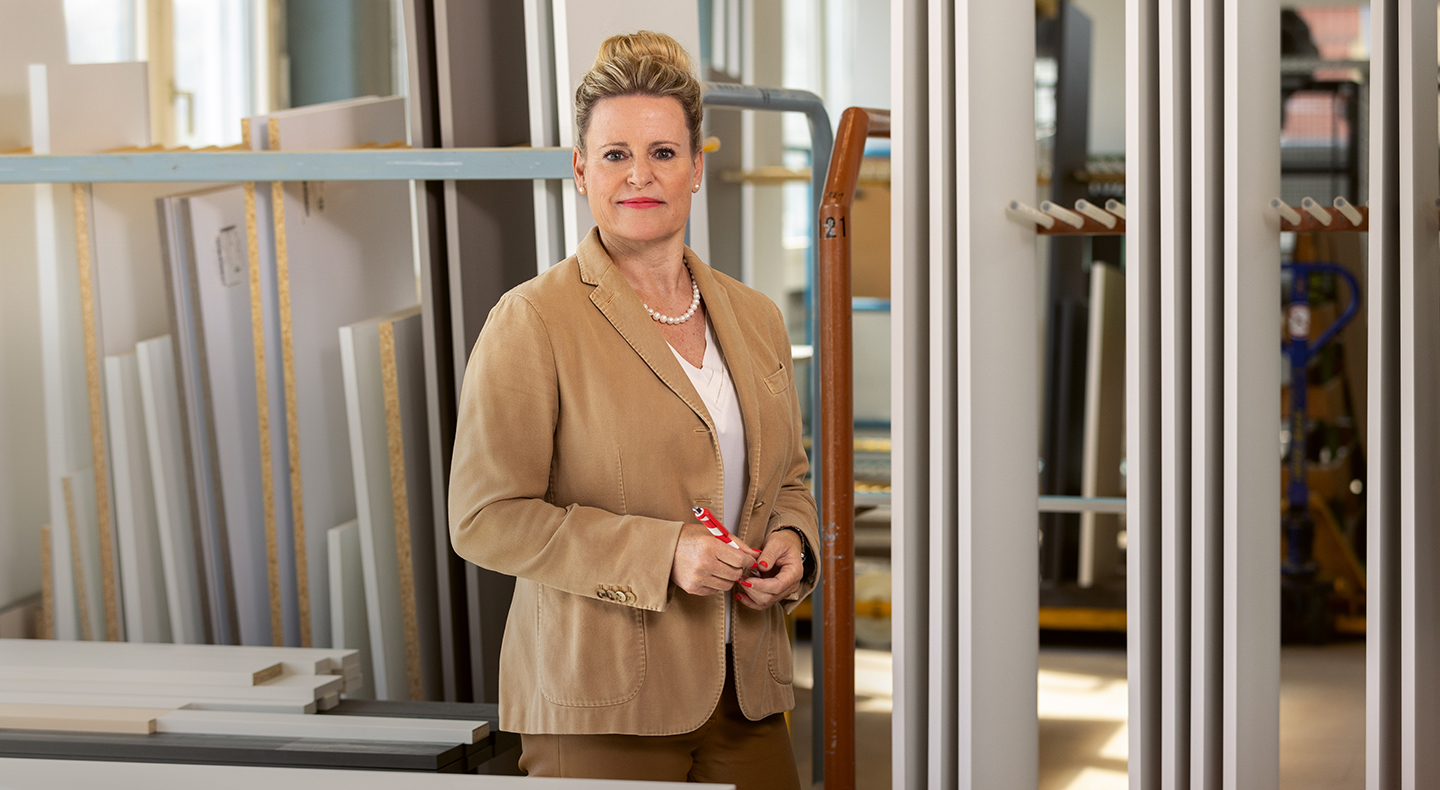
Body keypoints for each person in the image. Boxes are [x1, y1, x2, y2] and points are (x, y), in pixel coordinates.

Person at [448, 30, 819, 788]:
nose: (639, 176)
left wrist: (794, 543)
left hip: (747, 690)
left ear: (696, 168)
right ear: (581, 170)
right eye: (615, 154)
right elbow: (485, 517)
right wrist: (663, 553)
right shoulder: (532, 320)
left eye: (663, 153)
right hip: (601, 698)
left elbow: (789, 477)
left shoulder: (755, 317)